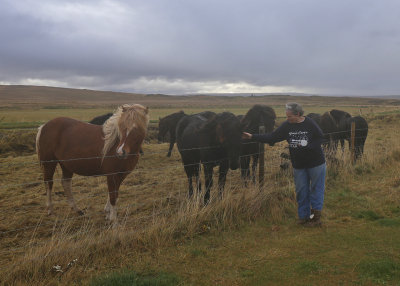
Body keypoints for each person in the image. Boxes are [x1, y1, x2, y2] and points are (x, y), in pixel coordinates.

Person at [242, 102, 326, 227]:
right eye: (286, 117)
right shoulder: (287, 126)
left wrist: (309, 146)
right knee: (301, 191)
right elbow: (272, 137)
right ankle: (303, 217)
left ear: (298, 114)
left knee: (316, 190)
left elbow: (321, 138)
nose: (287, 119)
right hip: (299, 165)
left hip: (315, 163)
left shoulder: (309, 123)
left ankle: (315, 219)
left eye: (289, 116)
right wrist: (252, 137)